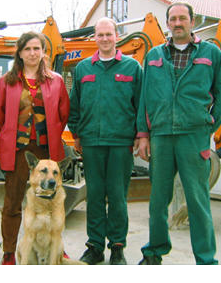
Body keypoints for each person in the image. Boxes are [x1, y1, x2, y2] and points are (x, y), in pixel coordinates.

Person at [137, 2, 221, 265]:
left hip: (194, 138)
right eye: (173, 19)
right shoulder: (154, 55)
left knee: (197, 201)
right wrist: (143, 135)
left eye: (183, 18)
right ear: (167, 23)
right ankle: (154, 252)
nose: (177, 23)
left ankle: (205, 259)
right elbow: (144, 98)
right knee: (158, 202)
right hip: (161, 137)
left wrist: (208, 125)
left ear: (192, 21)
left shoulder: (211, 54)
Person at [68, 17, 146, 265]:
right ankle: (94, 246)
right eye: (99, 35)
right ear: (95, 37)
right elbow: (74, 106)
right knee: (94, 195)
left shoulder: (133, 68)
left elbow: (142, 104)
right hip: (91, 142)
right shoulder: (82, 69)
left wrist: (140, 135)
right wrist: (77, 134)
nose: (104, 39)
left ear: (116, 36)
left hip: (121, 143)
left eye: (108, 34)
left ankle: (117, 247)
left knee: (117, 196)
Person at [0, 31, 70, 265]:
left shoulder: (55, 80)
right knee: (12, 201)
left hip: (46, 150)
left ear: (43, 52)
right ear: (19, 52)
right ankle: (9, 252)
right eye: (27, 49)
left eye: (36, 48)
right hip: (17, 151)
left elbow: (63, 112)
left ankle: (58, 247)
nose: (32, 53)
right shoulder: (7, 81)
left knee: (52, 201)